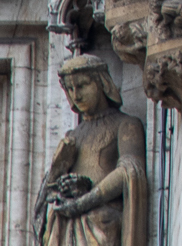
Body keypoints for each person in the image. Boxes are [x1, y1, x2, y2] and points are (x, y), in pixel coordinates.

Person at [36, 56, 149, 246]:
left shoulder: (126, 125)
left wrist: (86, 201)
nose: (76, 95)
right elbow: (46, 199)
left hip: (100, 223)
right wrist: (58, 170)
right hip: (68, 224)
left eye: (82, 86)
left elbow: (130, 171)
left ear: (101, 82)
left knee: (102, 218)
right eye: (70, 89)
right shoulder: (73, 135)